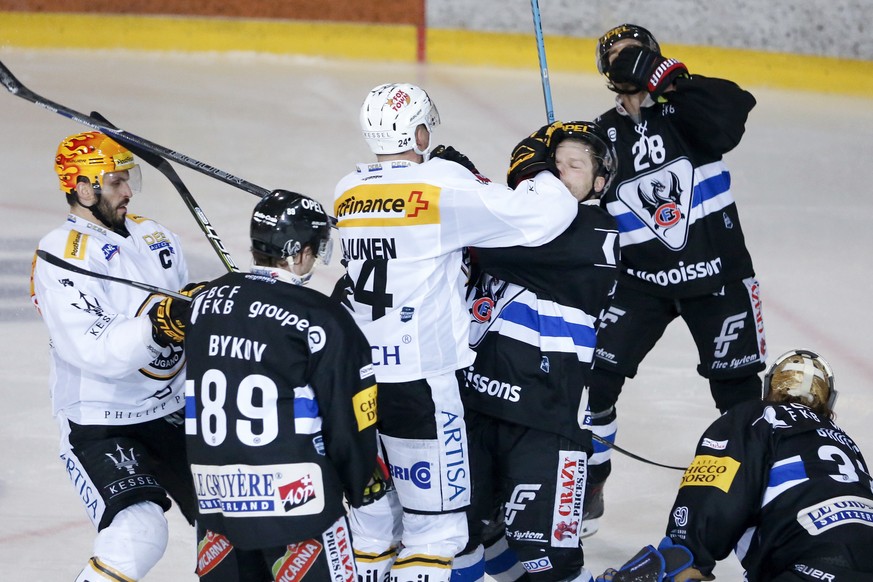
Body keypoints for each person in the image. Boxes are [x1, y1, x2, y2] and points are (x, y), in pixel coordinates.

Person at [332, 82, 582, 582]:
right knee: (437, 533)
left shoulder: (347, 190)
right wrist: (534, 168)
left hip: (358, 383)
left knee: (378, 529)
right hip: (421, 383)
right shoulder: (441, 183)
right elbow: (547, 216)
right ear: (420, 130)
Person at [584, 23, 765, 533]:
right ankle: (590, 478)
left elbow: (736, 110)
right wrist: (555, 163)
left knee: (739, 396)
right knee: (592, 381)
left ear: (654, 59)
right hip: (640, 280)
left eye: (636, 54)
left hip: (718, 274)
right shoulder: (601, 134)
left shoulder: (689, 110)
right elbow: (565, 197)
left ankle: (755, 495)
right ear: (604, 71)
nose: (625, 62)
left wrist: (669, 79)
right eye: (616, 56)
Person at [182, 189, 382, 581]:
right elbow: (349, 419)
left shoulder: (203, 305)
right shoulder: (322, 318)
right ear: (298, 251)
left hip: (217, 506)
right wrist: (362, 485)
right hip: (299, 508)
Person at [30, 131, 200, 581]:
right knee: (138, 533)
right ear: (83, 189)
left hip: (173, 409)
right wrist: (160, 322)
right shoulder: (60, 256)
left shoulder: (155, 235)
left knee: (239, 514)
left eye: (129, 179)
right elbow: (93, 349)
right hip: (101, 421)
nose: (127, 191)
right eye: (114, 182)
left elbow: (181, 317)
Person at [463, 120, 620, 582]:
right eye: (553, 163)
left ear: (598, 184)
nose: (557, 172)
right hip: (472, 409)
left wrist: (471, 194)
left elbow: (498, 248)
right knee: (467, 537)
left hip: (546, 422)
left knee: (551, 563)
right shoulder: (503, 224)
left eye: (574, 165)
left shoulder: (599, 234)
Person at [596, 349, 873, 581]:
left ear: (770, 388)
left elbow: (713, 501)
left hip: (809, 563)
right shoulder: (847, 444)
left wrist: (681, 554)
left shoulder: (758, 417)